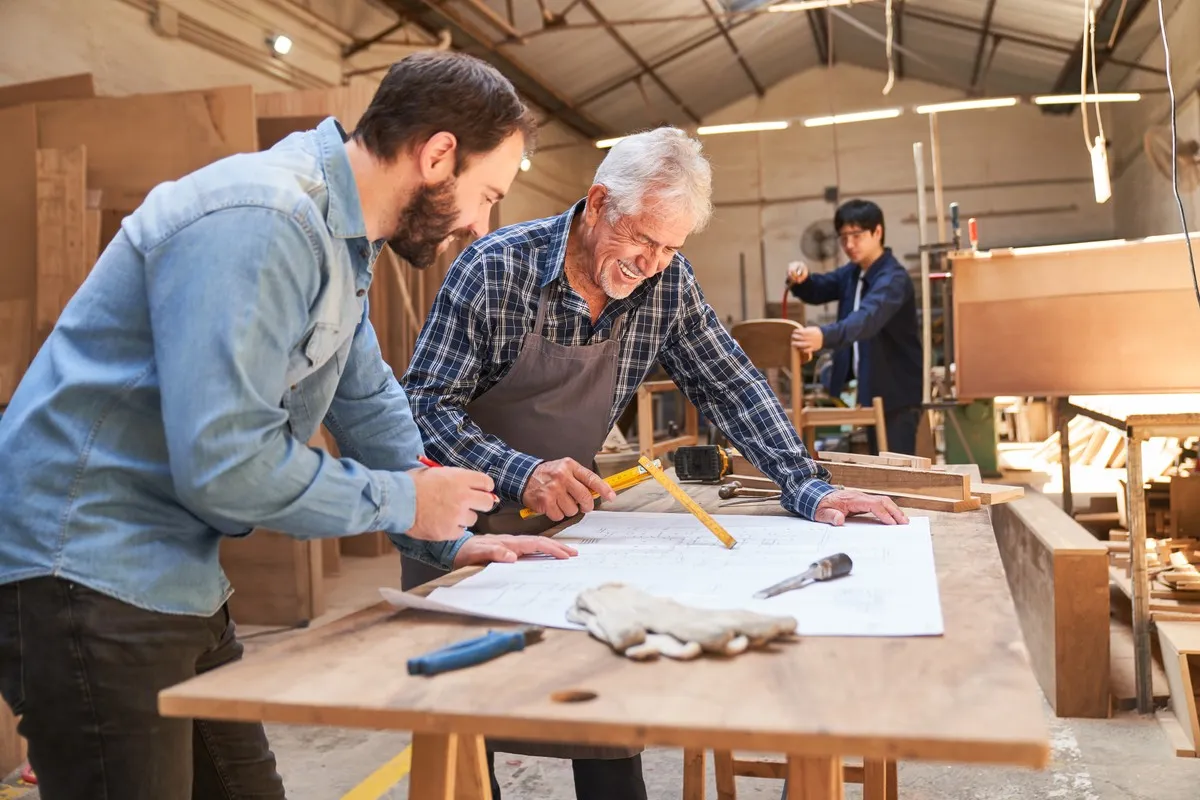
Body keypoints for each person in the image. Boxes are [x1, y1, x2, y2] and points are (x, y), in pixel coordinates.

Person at [0, 52, 577, 800]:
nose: (479, 224)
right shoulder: (264, 219)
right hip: (82, 570)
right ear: (438, 155)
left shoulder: (341, 240)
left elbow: (367, 400)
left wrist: (450, 534)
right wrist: (405, 502)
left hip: (173, 575)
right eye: (487, 194)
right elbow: (227, 466)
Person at [401, 126, 907, 800]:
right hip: (458, 525)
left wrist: (805, 484)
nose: (652, 263)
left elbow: (730, 384)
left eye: (671, 248)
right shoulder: (496, 269)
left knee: (605, 713)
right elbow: (424, 405)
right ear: (597, 202)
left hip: (565, 524)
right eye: (642, 239)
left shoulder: (666, 283)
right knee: (469, 725)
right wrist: (523, 472)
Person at [786, 199, 923, 455]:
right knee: (878, 466)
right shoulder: (853, 273)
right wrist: (801, 279)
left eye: (857, 236)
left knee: (897, 469)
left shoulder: (893, 279)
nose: (849, 244)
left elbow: (866, 320)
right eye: (843, 237)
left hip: (896, 394)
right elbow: (819, 288)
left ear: (877, 232)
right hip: (871, 392)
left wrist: (824, 336)